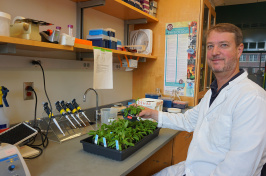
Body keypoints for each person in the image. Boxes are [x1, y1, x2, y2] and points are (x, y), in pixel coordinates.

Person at [138, 23, 266, 176]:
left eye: (223, 45)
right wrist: (154, 115)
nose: (214, 52)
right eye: (210, 46)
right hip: (192, 168)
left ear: (239, 50)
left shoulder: (252, 98)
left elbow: (238, 169)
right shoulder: (212, 92)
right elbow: (188, 120)